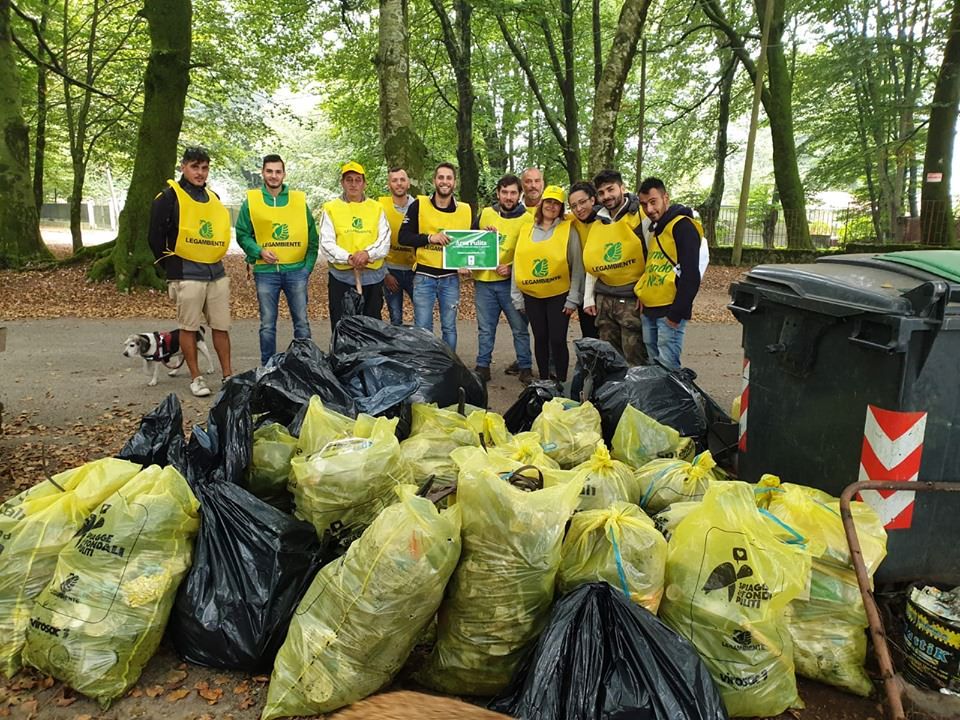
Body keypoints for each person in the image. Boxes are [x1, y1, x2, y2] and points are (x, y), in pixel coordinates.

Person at [148, 145, 233, 397]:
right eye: (195, 167)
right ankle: (196, 378)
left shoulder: (214, 199)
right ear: (183, 167)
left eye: (204, 168)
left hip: (215, 274)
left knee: (221, 326)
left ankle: (228, 376)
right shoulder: (168, 198)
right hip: (186, 274)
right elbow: (155, 237)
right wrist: (170, 267)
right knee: (189, 328)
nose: (200, 173)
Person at [236, 154, 319, 366]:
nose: (274, 176)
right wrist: (258, 251)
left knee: (301, 323)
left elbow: (312, 237)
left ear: (284, 173)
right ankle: (268, 367)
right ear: (263, 172)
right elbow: (242, 233)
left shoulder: (298, 201)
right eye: (269, 171)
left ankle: (306, 365)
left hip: (296, 271)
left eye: (278, 171)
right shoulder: (252, 202)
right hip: (265, 273)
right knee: (267, 325)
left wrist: (306, 268)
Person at [511, 185, 585, 382]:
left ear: (561, 208)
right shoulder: (526, 230)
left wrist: (573, 298)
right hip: (532, 295)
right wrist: (516, 296)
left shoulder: (568, 230)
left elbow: (577, 266)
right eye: (549, 202)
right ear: (542, 203)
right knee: (540, 338)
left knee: (558, 339)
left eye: (557, 204)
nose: (551, 206)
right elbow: (518, 264)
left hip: (559, 294)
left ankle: (560, 381)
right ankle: (544, 380)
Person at [398, 162, 473, 351]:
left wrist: (466, 262)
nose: (444, 182)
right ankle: (427, 368)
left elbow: (473, 242)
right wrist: (430, 238)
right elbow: (403, 236)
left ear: (454, 183)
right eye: (441, 177)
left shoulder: (465, 210)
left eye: (449, 178)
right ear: (434, 181)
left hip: (450, 278)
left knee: (449, 328)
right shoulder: (419, 205)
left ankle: (449, 368)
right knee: (423, 328)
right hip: (424, 277)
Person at [635, 177, 704, 370]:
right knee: (653, 365)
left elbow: (691, 274)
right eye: (643, 204)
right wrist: (643, 292)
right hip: (650, 308)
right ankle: (658, 400)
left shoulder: (682, 226)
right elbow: (654, 265)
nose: (649, 209)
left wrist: (676, 313)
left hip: (669, 310)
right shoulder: (656, 228)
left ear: (666, 198)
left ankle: (673, 400)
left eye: (653, 202)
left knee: (668, 366)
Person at [581, 168, 647, 365]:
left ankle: (636, 396)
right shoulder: (598, 222)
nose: (606, 196)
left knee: (634, 357)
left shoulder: (640, 217)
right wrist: (588, 298)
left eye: (611, 190)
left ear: (622, 188)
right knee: (610, 359)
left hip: (631, 299)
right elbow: (594, 263)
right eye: (601, 193)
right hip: (604, 300)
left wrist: (646, 292)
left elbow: (653, 256)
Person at [472, 174, 533, 385]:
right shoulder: (486, 214)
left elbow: (531, 252)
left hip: (512, 284)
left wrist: (512, 267)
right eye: (504, 192)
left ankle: (525, 367)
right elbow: (468, 242)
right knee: (485, 328)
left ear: (520, 195)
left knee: (519, 328)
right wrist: (482, 234)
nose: (508, 197)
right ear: (498, 193)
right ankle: (483, 366)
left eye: (513, 193)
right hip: (484, 281)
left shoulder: (528, 219)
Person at [319, 161, 391, 331]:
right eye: (349, 180)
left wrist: (367, 254)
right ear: (342, 183)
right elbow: (326, 243)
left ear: (364, 183)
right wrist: (348, 258)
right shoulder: (330, 208)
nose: (353, 184)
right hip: (342, 277)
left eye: (357, 180)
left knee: (372, 326)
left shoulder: (377, 208)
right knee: (342, 324)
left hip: (372, 277)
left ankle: (370, 357)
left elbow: (385, 239)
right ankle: (344, 357)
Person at [379, 167, 416, 325]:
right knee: (395, 317)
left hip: (415, 271)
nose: (399, 183)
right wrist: (385, 273)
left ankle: (421, 348)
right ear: (389, 185)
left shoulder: (421, 207)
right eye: (394, 180)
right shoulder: (380, 207)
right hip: (391, 271)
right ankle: (398, 349)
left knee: (423, 315)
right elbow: (375, 241)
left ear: (408, 183)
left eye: (402, 180)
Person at [567, 181, 600, 339]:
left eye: (582, 202)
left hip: (606, 289)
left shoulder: (606, 220)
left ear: (592, 200)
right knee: (589, 334)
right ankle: (591, 363)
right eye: (573, 206)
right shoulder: (571, 222)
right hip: (584, 286)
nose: (578, 209)